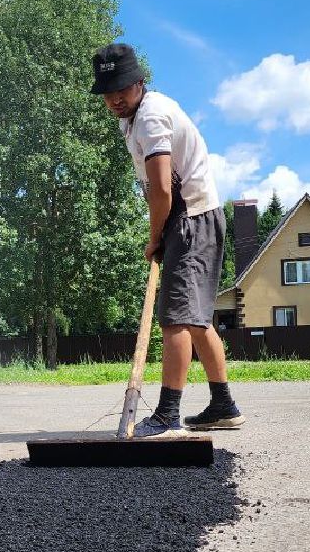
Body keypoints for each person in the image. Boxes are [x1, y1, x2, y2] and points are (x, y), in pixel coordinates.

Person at [90, 42, 243, 436]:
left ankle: (167, 414)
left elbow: (161, 189)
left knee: (175, 318)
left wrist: (154, 236)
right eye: (108, 93)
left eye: (122, 89)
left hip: (189, 217)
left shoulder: (151, 117)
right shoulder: (133, 117)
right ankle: (223, 404)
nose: (115, 99)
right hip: (190, 217)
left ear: (140, 82)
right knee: (195, 319)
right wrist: (162, 231)